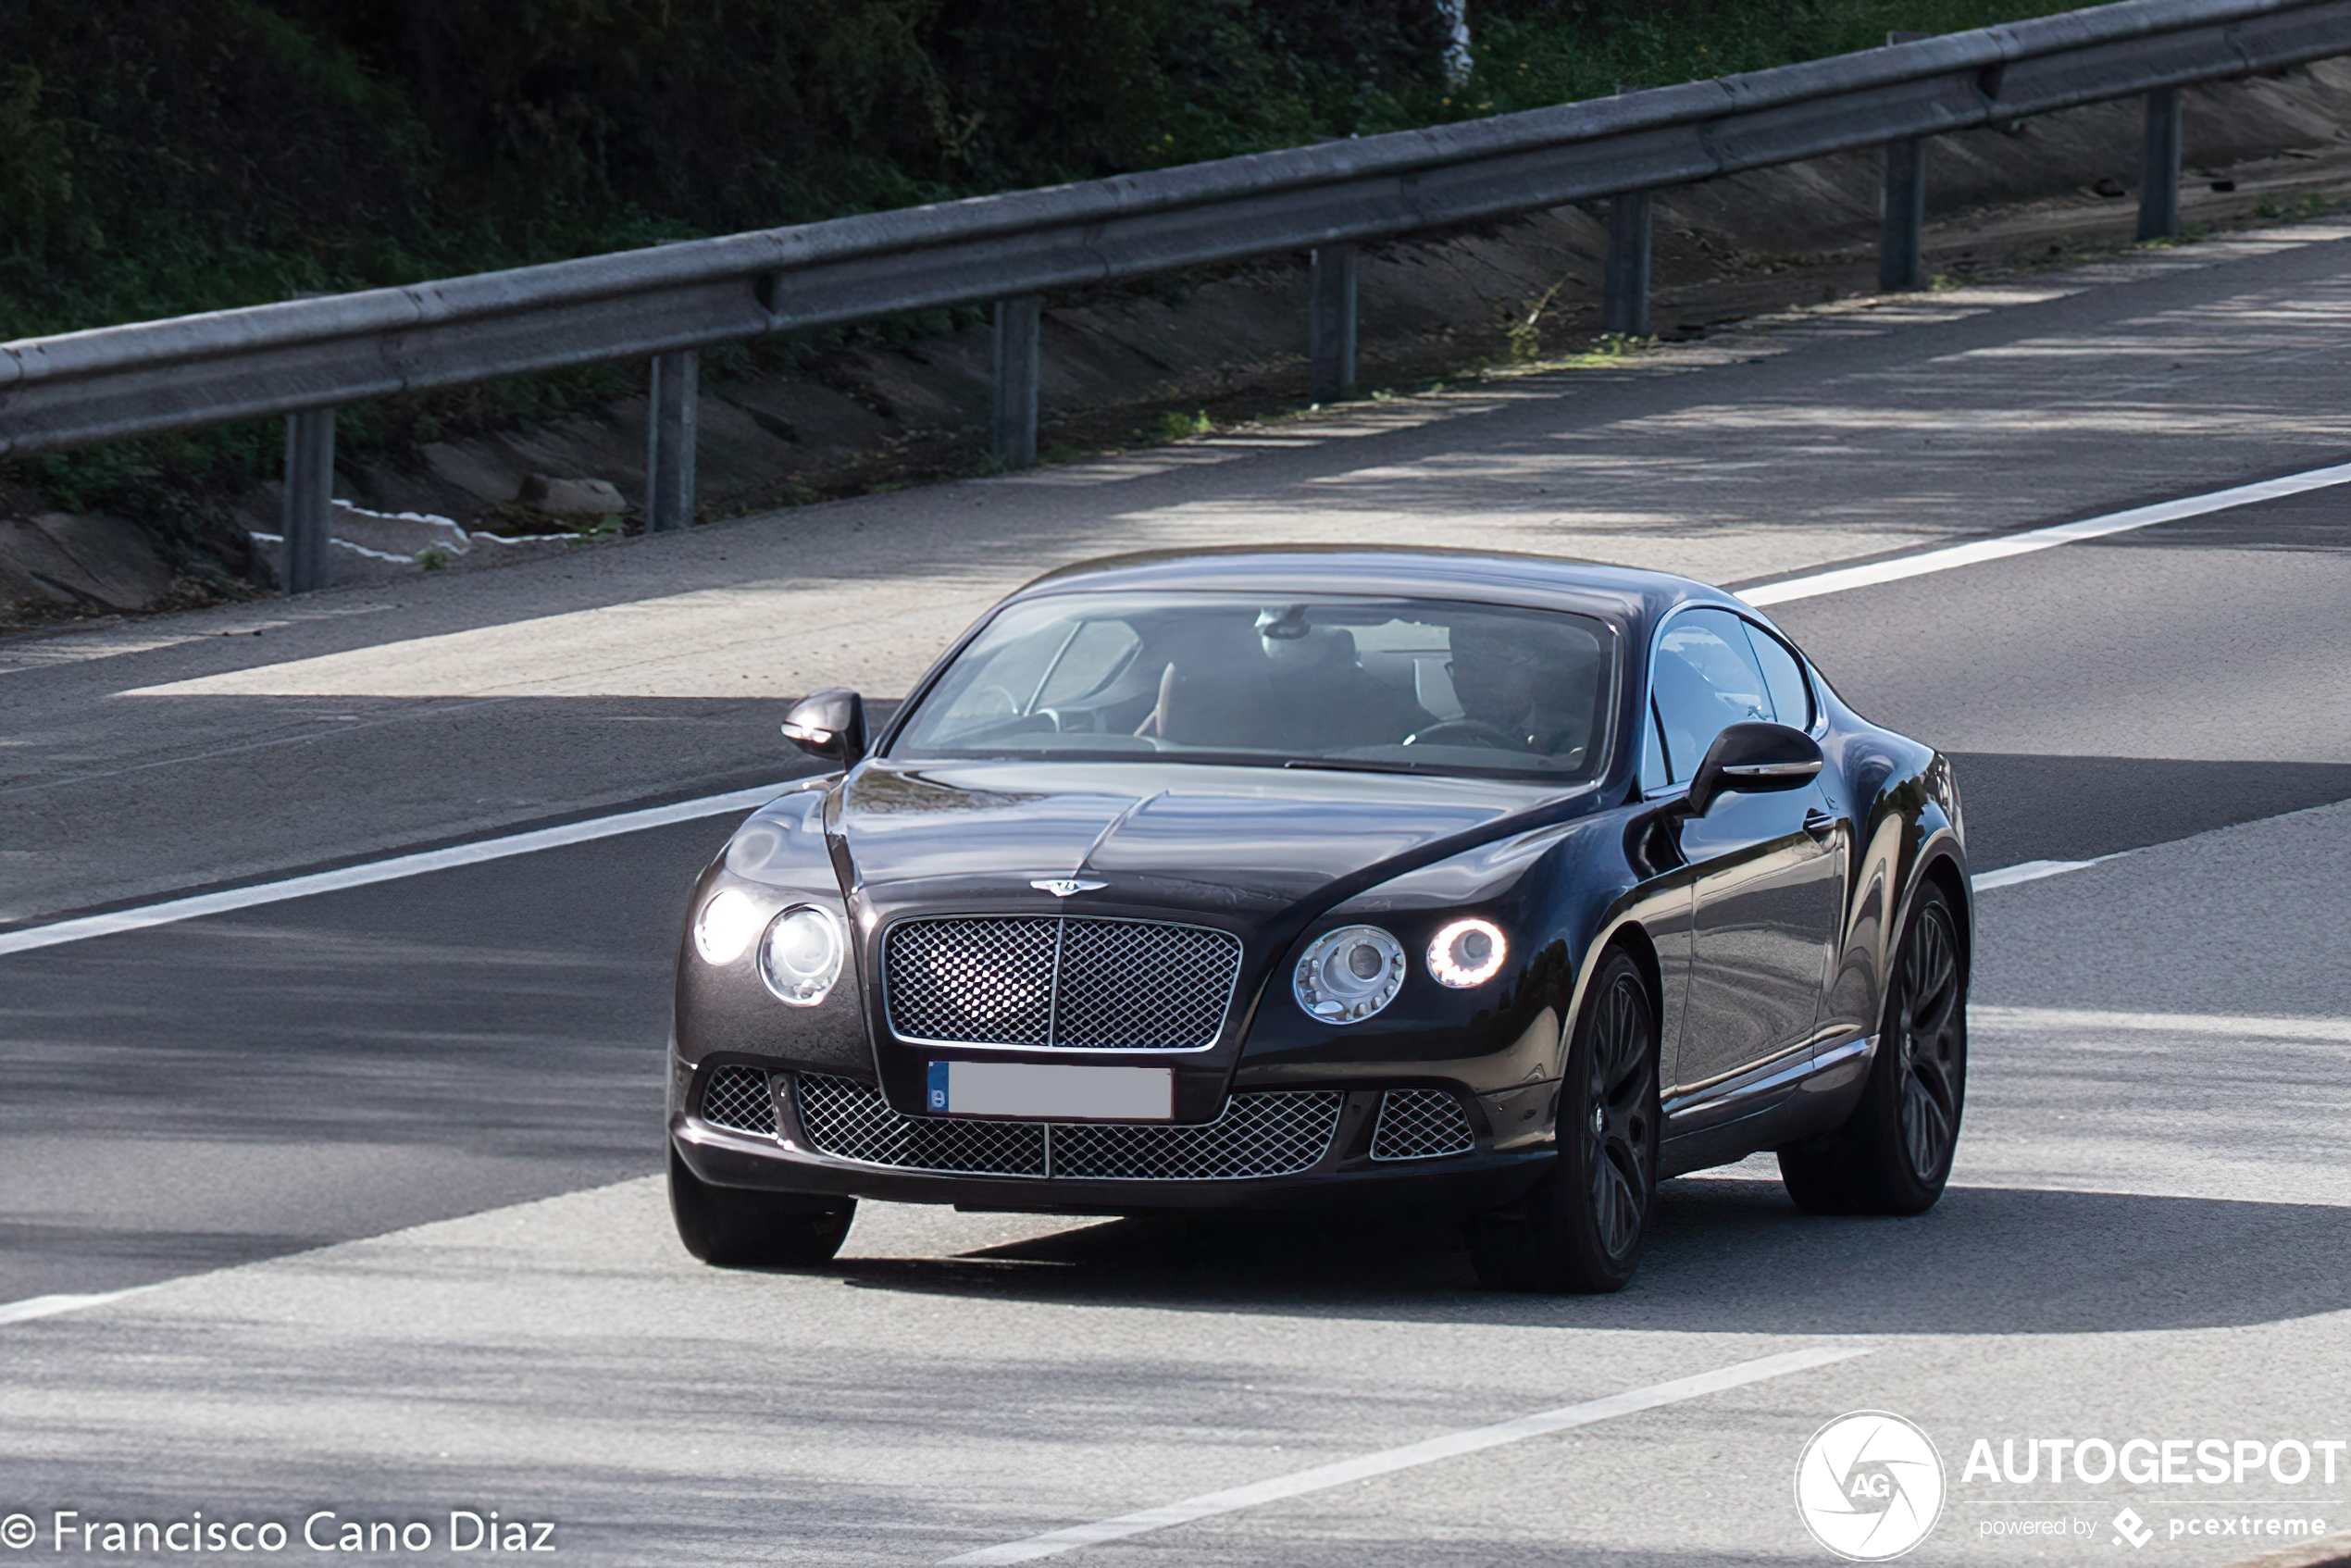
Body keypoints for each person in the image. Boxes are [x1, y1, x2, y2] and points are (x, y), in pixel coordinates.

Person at [1439, 616, 1596, 759]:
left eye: (1494, 669)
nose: (1476, 683)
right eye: (1466, 668)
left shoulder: (1576, 742)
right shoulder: (1435, 742)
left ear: (1531, 668)